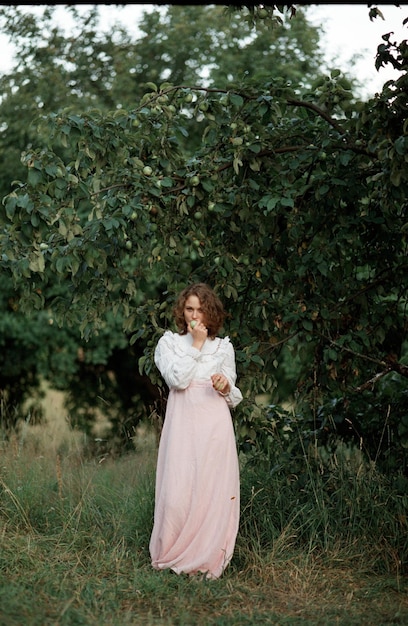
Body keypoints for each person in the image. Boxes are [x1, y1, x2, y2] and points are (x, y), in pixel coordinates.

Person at [149, 282, 243, 580]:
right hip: (183, 425)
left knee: (211, 490)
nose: (195, 316)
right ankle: (172, 553)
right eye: (190, 309)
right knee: (178, 489)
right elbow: (177, 379)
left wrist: (225, 385)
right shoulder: (169, 344)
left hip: (214, 425)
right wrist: (197, 345)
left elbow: (233, 393)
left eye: (201, 310)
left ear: (210, 312)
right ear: (182, 311)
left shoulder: (223, 347)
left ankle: (207, 558)